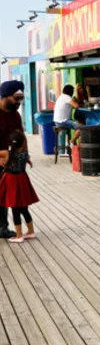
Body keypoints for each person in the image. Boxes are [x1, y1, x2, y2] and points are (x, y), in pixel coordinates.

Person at [0, 130, 38, 243]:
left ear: (10, 143)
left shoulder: (7, 153)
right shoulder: (25, 153)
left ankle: (19, 235)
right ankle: (31, 231)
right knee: (23, 208)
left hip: (12, 181)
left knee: (15, 208)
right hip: (22, 180)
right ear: (23, 143)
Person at [0, 81, 25, 238]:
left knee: (3, 195)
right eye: (16, 98)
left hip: (9, 163)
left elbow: (20, 137)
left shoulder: (15, 115)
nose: (18, 102)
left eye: (20, 99)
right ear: (4, 96)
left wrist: (24, 156)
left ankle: (3, 227)